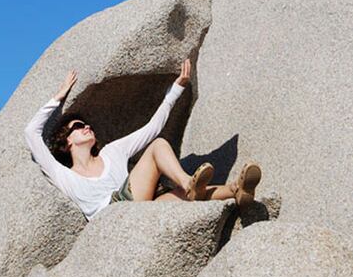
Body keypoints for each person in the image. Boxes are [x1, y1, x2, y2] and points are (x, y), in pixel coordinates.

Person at [24, 59, 261, 221]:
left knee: (178, 194)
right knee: (160, 153)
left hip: (140, 209)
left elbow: (152, 129)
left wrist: (175, 90)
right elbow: (31, 132)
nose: (86, 127)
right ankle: (191, 185)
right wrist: (59, 95)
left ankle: (236, 191)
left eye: (87, 124)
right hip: (114, 217)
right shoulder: (62, 175)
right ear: (66, 142)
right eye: (78, 126)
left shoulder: (111, 152)